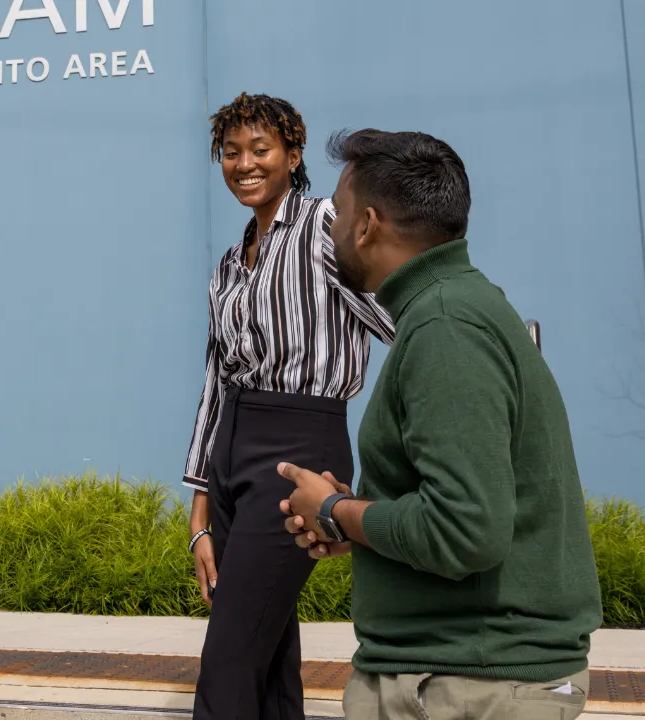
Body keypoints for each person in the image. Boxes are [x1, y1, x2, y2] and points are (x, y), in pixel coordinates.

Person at [279, 128, 601, 719]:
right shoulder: (458, 307)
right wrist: (359, 522)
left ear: (367, 224)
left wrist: (335, 512)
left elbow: (465, 528)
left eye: (339, 213)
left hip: (465, 684)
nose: (332, 229)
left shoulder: (445, 327)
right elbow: (460, 509)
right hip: (459, 674)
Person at [182, 92, 395, 720]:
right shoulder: (228, 265)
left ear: (292, 155)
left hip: (299, 447)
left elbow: (395, 315)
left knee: (228, 661)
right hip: (231, 454)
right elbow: (215, 382)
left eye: (260, 149)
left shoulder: (329, 225)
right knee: (268, 659)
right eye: (230, 152)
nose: (243, 163)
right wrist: (199, 511)